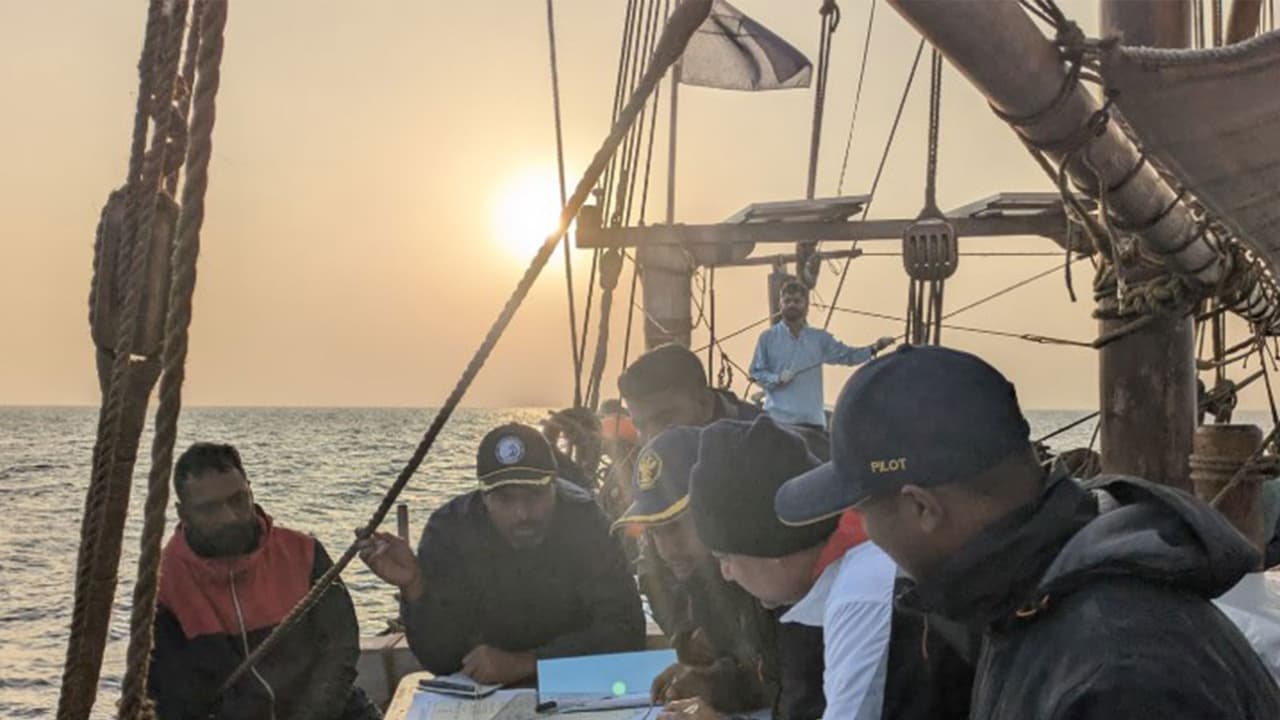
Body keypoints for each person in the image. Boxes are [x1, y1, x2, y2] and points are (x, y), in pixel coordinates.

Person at [775, 345, 1280, 719]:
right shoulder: (1031, 600)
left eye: (864, 513)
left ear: (921, 507)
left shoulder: (1119, 679)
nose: (864, 532)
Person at [675, 415, 970, 720]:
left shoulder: (861, 594)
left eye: (726, 558)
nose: (726, 574)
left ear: (772, 550)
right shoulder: (847, 571)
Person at [359, 423, 644, 684]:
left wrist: (530, 663)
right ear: (483, 496)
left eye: (534, 496)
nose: (522, 514)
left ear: (554, 487)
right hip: (486, 697)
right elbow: (441, 660)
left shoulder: (586, 523)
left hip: (581, 684)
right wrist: (415, 588)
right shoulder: (448, 530)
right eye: (505, 499)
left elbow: (626, 631)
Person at [149, 443, 380, 720]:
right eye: (210, 509)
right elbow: (174, 697)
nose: (229, 517)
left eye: (237, 499)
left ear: (250, 490)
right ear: (183, 513)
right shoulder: (163, 583)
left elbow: (339, 647)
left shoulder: (303, 552)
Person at [613, 427, 825, 719]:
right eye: (654, 533)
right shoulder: (704, 578)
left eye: (677, 526)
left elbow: (807, 697)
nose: (668, 549)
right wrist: (714, 682)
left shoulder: (784, 581)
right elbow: (771, 675)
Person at [749, 280, 894, 428]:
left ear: (806, 306)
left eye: (797, 301)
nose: (791, 305)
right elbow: (755, 373)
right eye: (787, 301)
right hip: (776, 420)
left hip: (810, 421)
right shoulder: (767, 337)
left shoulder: (819, 339)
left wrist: (875, 347)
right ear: (780, 305)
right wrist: (777, 378)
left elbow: (847, 355)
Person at [619, 343, 762, 442]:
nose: (651, 439)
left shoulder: (767, 444)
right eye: (640, 427)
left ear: (704, 404)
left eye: (664, 420)